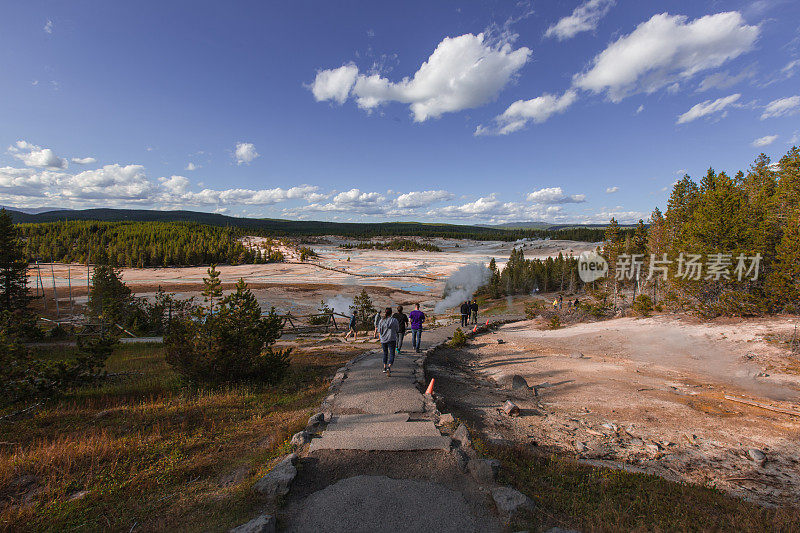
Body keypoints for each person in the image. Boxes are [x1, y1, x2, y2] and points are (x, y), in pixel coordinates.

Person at [377, 307, 399, 376]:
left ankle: (384, 367)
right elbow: (397, 329)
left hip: (383, 339)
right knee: (392, 353)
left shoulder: (381, 320)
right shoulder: (394, 320)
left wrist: (380, 338)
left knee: (385, 353)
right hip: (392, 339)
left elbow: (379, 331)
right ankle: (389, 367)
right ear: (391, 313)